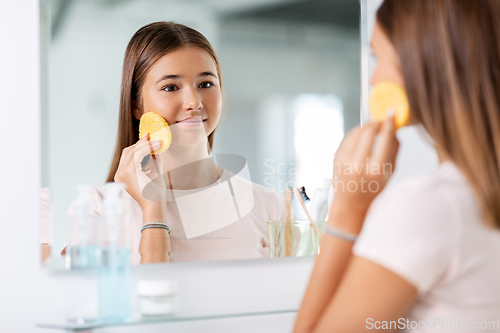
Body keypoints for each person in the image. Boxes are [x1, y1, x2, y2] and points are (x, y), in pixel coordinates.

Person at [294, 0, 500, 332]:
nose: (374, 79)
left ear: (419, 60)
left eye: (377, 57)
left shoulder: (428, 206)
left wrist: (348, 208)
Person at [68, 22, 286, 264]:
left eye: (205, 84)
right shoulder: (98, 210)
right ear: (136, 105)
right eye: (170, 87)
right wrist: (153, 207)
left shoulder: (269, 206)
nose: (194, 101)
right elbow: (149, 297)